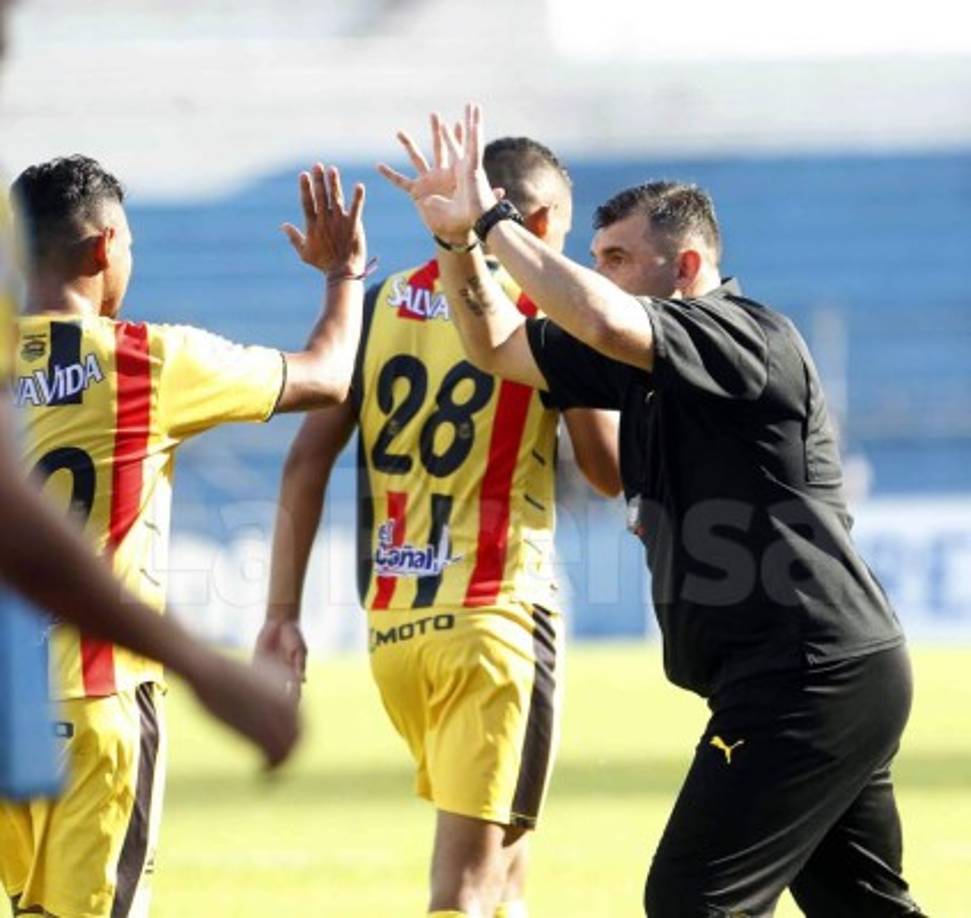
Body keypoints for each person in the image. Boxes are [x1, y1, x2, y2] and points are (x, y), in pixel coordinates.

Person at [386, 103, 924, 917]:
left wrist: (494, 221)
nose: (598, 274)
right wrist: (455, 243)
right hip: (817, 674)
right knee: (860, 906)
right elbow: (494, 346)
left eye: (616, 257)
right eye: (595, 256)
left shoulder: (744, 337)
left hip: (806, 675)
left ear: (686, 265)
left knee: (689, 900)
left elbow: (600, 316)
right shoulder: (634, 367)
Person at [257, 121, 620, 917]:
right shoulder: (543, 310)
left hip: (395, 630)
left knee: (506, 871)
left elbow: (306, 460)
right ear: (536, 226)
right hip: (495, 621)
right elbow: (606, 469)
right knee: (463, 890)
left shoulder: (383, 304)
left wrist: (281, 613)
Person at [0, 153, 367, 918]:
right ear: (104, 247)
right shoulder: (150, 360)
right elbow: (328, 375)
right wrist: (342, 276)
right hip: (98, 710)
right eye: (127, 243)